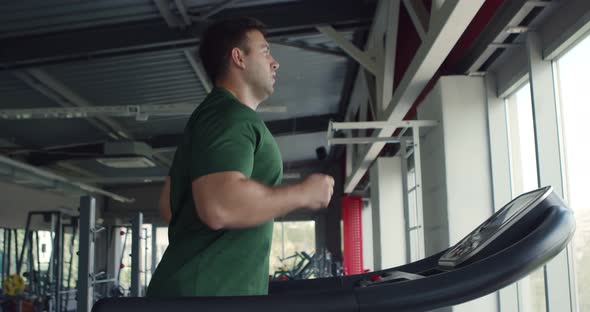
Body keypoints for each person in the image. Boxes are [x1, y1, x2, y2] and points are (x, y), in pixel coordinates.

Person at [146, 17, 335, 297]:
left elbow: (169, 204)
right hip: (206, 298)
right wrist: (303, 194)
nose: (275, 62)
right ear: (239, 58)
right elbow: (218, 206)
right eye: (265, 50)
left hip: (204, 294)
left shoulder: (213, 117)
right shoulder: (229, 116)